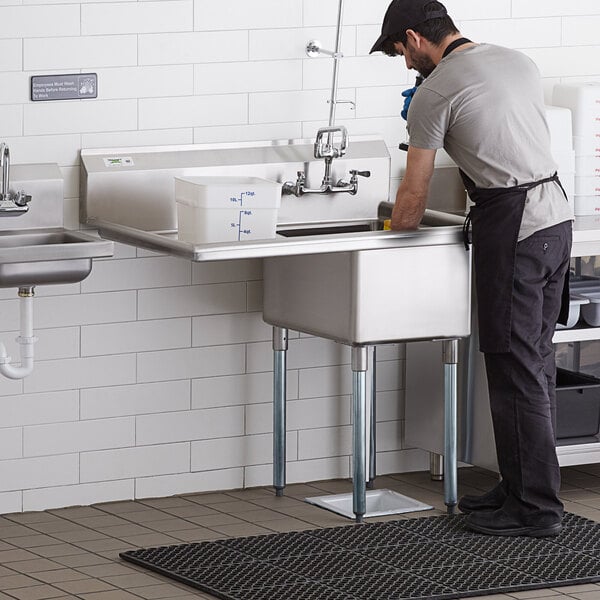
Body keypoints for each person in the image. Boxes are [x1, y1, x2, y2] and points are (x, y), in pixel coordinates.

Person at [371, 0, 573, 537]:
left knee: (514, 366)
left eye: (399, 52)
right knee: (534, 363)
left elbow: (411, 197)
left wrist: (389, 237)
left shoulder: (433, 94)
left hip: (515, 229)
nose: (404, 64)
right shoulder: (516, 60)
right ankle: (519, 486)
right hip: (555, 218)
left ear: (413, 38)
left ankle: (536, 509)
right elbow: (500, 138)